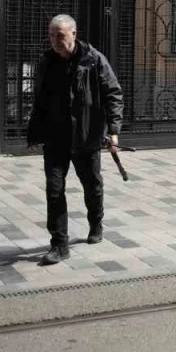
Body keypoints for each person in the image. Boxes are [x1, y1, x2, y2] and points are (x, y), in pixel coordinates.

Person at [26, 14, 124, 266]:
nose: (55, 41)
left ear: (73, 33)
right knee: (54, 190)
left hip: (86, 136)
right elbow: (40, 99)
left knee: (92, 186)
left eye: (60, 36)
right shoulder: (47, 61)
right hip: (55, 138)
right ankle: (59, 244)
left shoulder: (94, 60)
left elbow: (113, 94)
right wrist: (35, 133)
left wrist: (113, 130)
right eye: (51, 35)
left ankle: (96, 222)